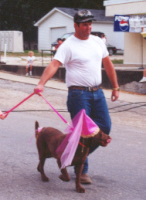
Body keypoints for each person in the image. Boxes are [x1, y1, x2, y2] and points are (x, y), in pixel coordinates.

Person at [34, 10, 119, 184]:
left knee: (105, 127)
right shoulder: (68, 45)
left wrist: (115, 86)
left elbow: (108, 64)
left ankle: (70, 156)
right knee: (83, 133)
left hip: (98, 92)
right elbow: (54, 64)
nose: (88, 28)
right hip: (78, 95)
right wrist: (41, 83)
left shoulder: (98, 41)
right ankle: (83, 170)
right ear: (76, 25)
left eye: (90, 24)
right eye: (84, 25)